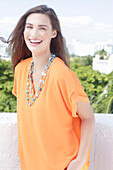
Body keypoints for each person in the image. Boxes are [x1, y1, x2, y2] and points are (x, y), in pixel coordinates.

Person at [4, 5, 95, 170]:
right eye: (29, 27)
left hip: (64, 165)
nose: (34, 33)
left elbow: (88, 117)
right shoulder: (21, 69)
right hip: (31, 164)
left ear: (54, 33)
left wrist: (80, 161)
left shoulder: (61, 74)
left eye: (42, 28)